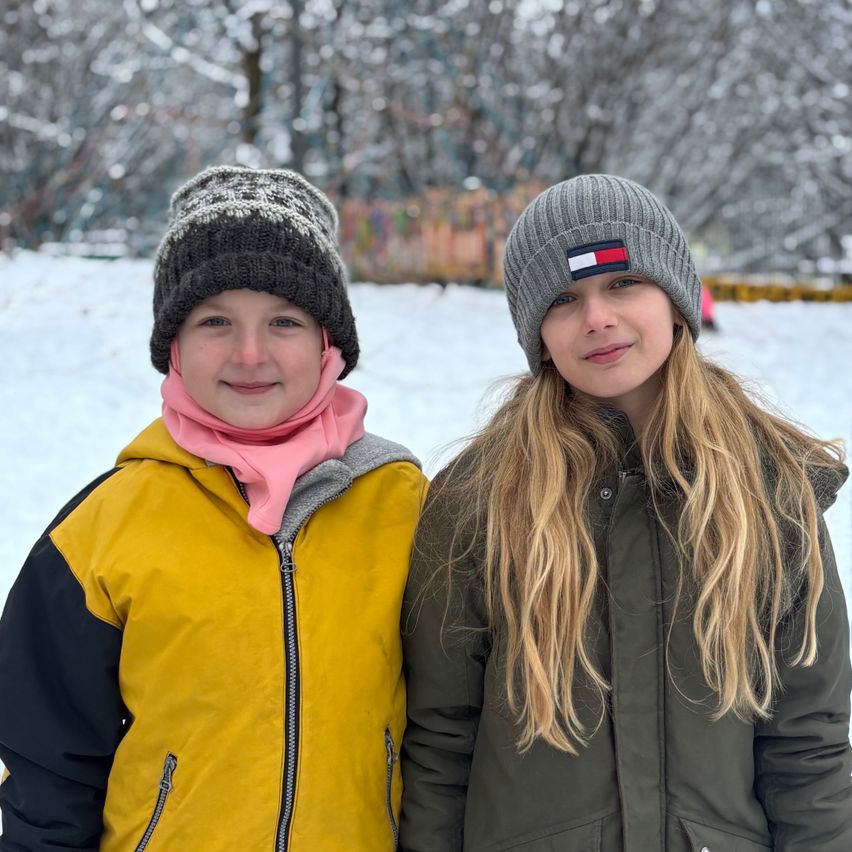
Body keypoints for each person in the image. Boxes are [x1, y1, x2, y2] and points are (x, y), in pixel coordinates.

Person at [399, 174, 851, 851]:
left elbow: (808, 746)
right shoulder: (476, 503)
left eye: (622, 284)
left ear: (673, 299)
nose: (597, 318)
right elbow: (440, 745)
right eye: (563, 299)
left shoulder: (770, 491)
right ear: (537, 334)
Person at [0, 165, 426, 850]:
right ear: (173, 345)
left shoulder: (403, 506)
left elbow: (451, 729)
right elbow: (48, 766)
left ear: (328, 345)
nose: (250, 353)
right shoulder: (106, 530)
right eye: (215, 321)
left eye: (284, 321)